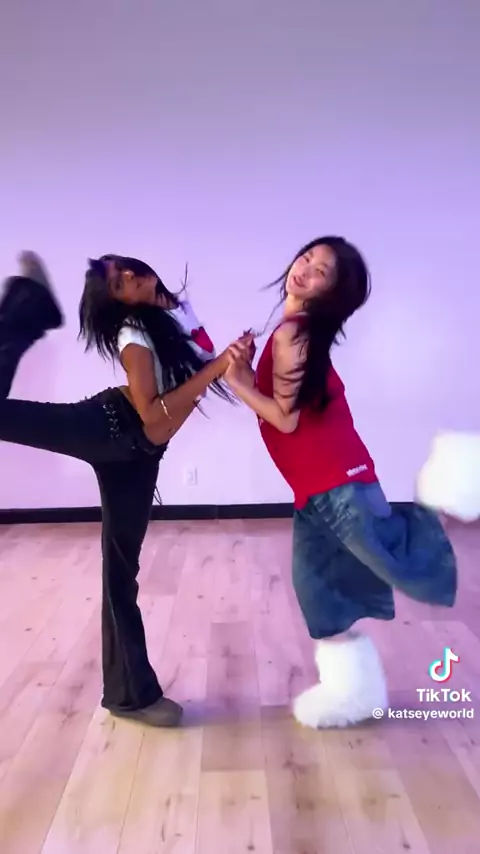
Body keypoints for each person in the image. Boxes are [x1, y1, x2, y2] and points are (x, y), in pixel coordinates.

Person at [0, 251, 252, 727]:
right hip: (106, 427)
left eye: (125, 269)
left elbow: (201, 380)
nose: (132, 276)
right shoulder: (133, 334)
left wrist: (233, 362)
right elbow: (153, 414)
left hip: (139, 457)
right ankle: (26, 308)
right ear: (119, 302)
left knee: (120, 575)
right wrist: (218, 366)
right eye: (120, 283)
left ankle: (129, 696)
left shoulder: (177, 312)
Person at [224, 236, 457, 729]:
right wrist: (246, 371)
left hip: (338, 486)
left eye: (321, 272)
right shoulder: (292, 330)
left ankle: (451, 485)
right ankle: (353, 692)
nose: (305, 269)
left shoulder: (295, 335)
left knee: (403, 559)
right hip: (321, 488)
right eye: (307, 257)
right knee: (320, 592)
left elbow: (284, 419)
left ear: (330, 292)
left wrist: (239, 382)